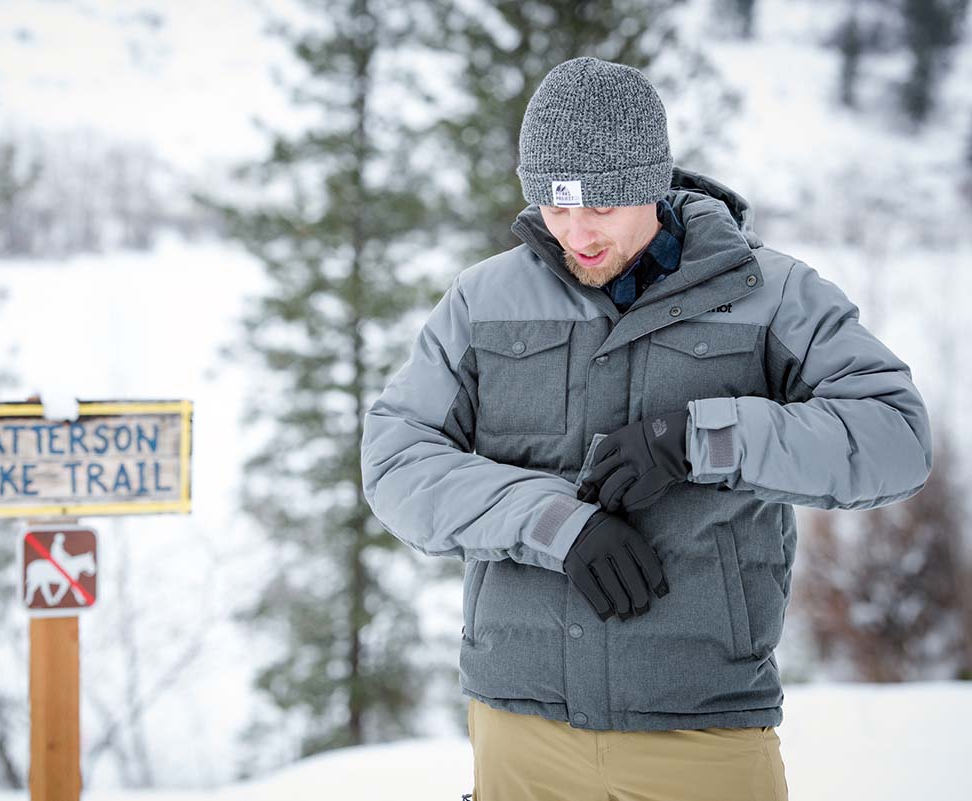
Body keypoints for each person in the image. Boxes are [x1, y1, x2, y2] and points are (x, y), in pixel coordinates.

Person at [359, 56, 932, 801]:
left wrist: (701, 438)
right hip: (522, 733)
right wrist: (554, 522)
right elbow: (397, 460)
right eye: (555, 207)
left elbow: (895, 437)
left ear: (651, 184)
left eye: (599, 205)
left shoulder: (770, 292)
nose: (575, 232)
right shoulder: (482, 300)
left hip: (702, 733)